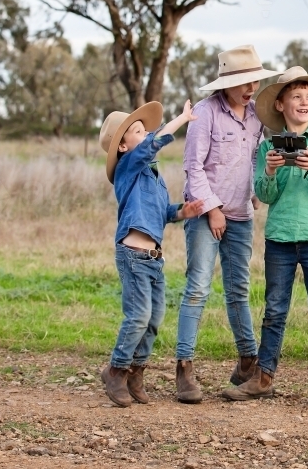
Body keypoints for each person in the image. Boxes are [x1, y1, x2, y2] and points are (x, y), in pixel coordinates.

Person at [221, 66, 308, 406]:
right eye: (296, 96)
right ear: (280, 104)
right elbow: (264, 196)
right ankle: (264, 378)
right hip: (279, 238)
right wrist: (269, 171)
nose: (304, 102)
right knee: (275, 311)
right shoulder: (268, 147)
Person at [175, 45, 281, 404]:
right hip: (208, 214)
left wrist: (254, 191)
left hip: (241, 215)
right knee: (198, 288)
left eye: (254, 81)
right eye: (243, 82)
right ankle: (184, 367)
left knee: (238, 290)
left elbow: (254, 157)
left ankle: (248, 360)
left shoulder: (257, 117)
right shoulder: (205, 114)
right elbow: (193, 167)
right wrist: (212, 209)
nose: (250, 88)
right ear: (226, 82)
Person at [98, 99, 205, 408]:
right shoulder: (128, 167)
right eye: (137, 131)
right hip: (132, 255)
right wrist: (181, 119)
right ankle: (115, 370)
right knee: (138, 315)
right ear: (122, 147)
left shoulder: (155, 180)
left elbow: (162, 213)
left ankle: (136, 372)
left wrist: (183, 211)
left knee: (154, 318)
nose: (144, 134)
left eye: (144, 129)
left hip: (153, 260)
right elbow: (153, 145)